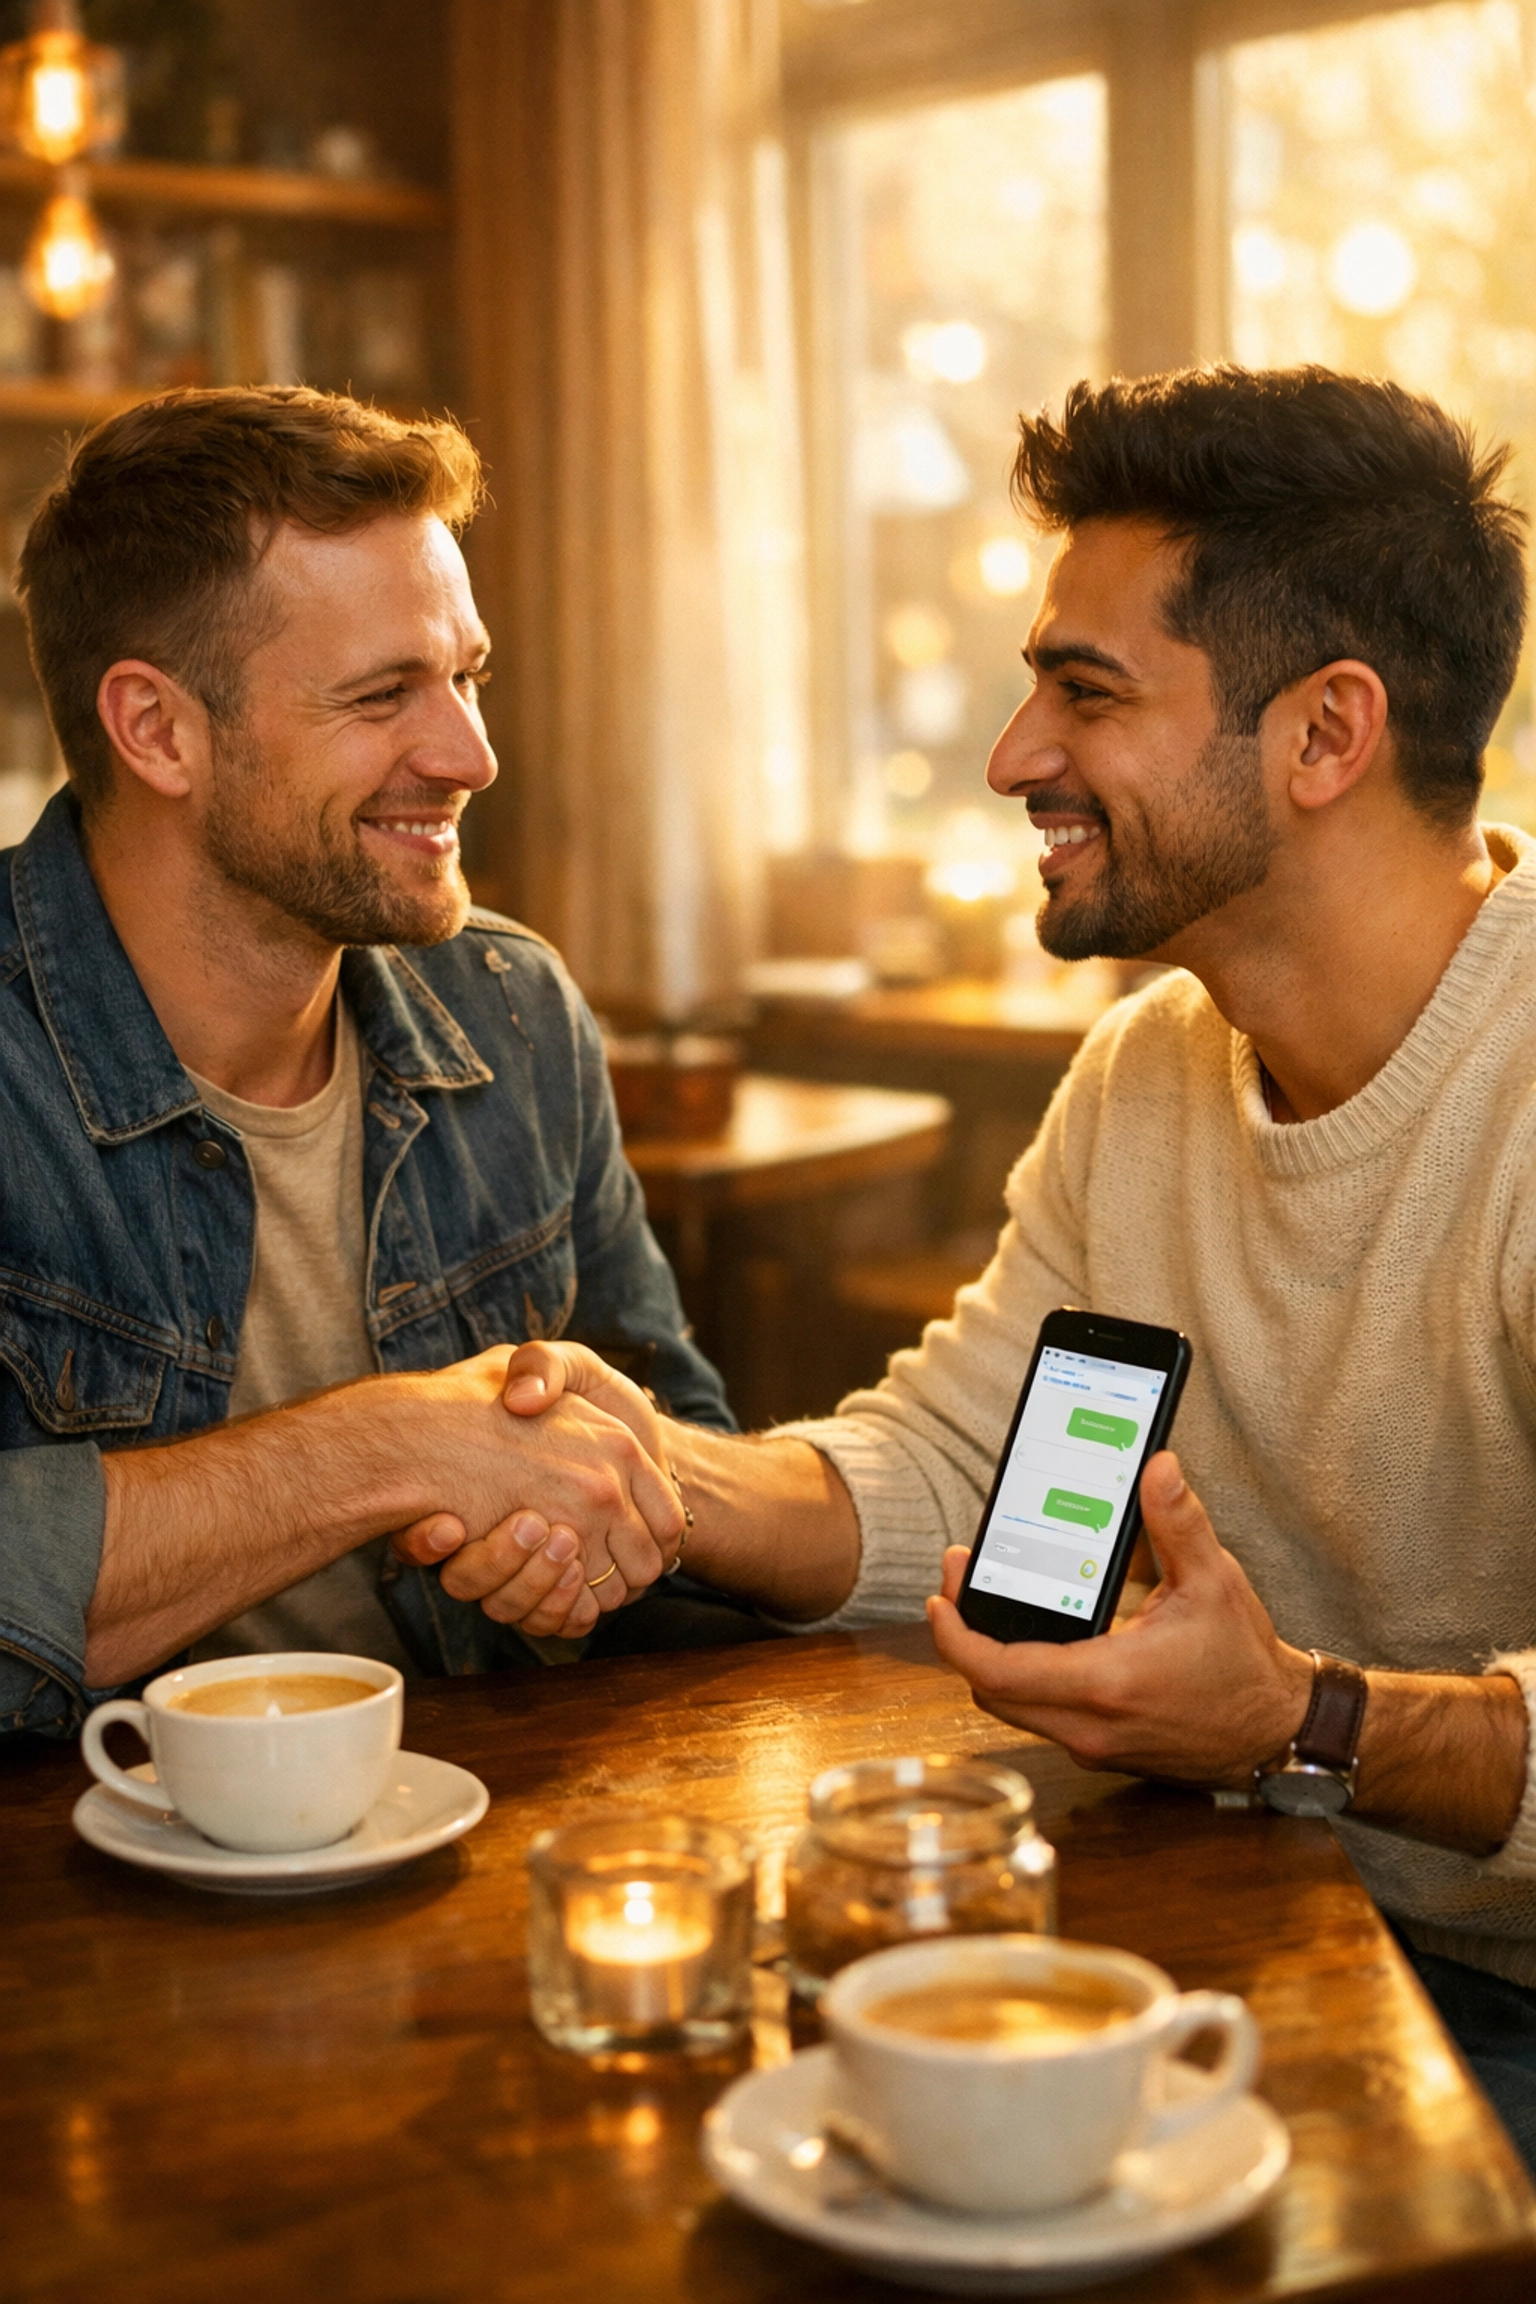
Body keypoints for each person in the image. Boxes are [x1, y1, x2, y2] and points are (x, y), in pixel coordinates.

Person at [434, 366, 1536, 2161]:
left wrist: (1301, 1716)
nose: (1015, 752)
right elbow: (965, 1467)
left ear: (1327, 736)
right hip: (1234, 1925)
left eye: (1083, 691)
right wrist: (645, 1464)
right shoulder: (1149, 1075)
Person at [0, 382, 753, 1739]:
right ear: (157, 729)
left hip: (474, 1842)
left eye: (465, 674)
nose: (472, 753)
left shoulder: (514, 1007)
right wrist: (392, 1446)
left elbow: (683, 1473)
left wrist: (610, 1540)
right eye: (382, 694)